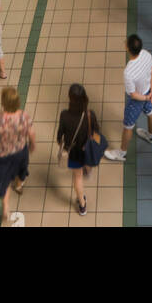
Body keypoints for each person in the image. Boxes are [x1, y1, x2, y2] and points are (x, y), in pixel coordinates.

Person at [104, 34, 152, 161]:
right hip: (148, 91)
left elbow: (132, 94)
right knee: (150, 112)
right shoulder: (146, 54)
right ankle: (150, 135)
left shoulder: (128, 72)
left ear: (128, 48)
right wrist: (151, 92)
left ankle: (122, 153)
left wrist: (145, 98)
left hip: (137, 100)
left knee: (128, 126)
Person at [0, 85, 36, 202]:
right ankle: (18, 186)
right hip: (20, 151)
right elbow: (31, 134)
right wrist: (32, 145)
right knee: (22, 170)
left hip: (1, 154)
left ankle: (5, 207)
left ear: (3, 102)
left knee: (3, 176)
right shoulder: (24, 116)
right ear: (18, 102)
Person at [57, 84, 103, 216]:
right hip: (88, 150)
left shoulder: (64, 115)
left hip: (74, 153)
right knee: (87, 164)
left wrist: (62, 143)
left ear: (70, 98)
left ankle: (82, 206)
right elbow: (97, 133)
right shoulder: (90, 115)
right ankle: (88, 170)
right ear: (84, 98)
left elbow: (60, 136)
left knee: (77, 178)